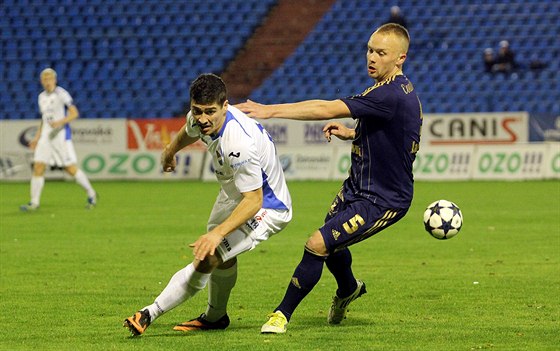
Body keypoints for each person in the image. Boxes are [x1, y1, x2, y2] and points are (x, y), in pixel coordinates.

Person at [236, 23, 422, 333]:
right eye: (370, 50)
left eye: (381, 53)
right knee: (331, 245)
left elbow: (325, 108)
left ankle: (281, 315)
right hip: (357, 188)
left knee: (317, 243)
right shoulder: (394, 90)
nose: (371, 57)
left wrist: (268, 111)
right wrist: (352, 133)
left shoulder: (389, 94)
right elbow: (394, 136)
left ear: (400, 58)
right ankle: (348, 289)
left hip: (383, 199)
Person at [123, 73, 292, 336]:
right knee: (222, 258)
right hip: (234, 193)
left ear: (225, 106)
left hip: (266, 206)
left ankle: (149, 313)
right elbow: (189, 130)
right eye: (197, 110)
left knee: (210, 254)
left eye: (210, 112)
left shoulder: (238, 143)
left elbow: (254, 200)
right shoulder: (200, 117)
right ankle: (216, 318)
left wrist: (217, 233)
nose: (203, 118)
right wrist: (170, 151)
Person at [20, 68, 97, 211]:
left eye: (50, 79)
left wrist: (60, 122)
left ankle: (91, 193)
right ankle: (34, 203)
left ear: (54, 80)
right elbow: (44, 119)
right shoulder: (41, 97)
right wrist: (37, 138)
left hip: (60, 136)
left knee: (70, 168)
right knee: (38, 166)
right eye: (45, 79)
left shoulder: (62, 94)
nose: (47, 82)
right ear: (41, 81)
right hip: (46, 137)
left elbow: (74, 113)